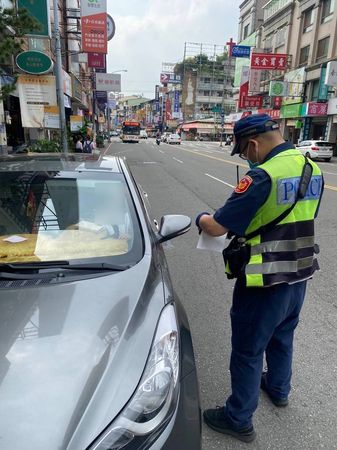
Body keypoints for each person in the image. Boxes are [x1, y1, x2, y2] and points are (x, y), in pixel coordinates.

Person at [195, 114, 324, 443]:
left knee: (248, 351)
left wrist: (200, 217)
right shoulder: (313, 168)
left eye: (243, 152)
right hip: (300, 274)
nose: (246, 158)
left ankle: (238, 418)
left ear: (251, 144)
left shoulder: (263, 177)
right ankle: (279, 389)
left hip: (265, 280)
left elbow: (216, 227)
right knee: (283, 337)